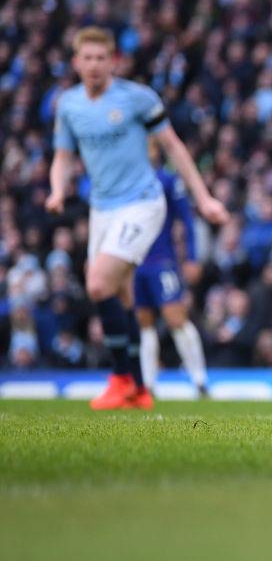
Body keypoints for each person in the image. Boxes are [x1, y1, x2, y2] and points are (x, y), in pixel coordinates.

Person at [46, 27, 228, 410]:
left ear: (113, 61)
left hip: (142, 203)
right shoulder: (68, 105)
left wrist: (204, 198)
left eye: (101, 58)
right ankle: (141, 389)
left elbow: (174, 147)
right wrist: (58, 190)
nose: (94, 65)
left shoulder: (137, 99)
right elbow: (63, 156)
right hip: (102, 209)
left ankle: (121, 378)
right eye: (87, 58)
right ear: (76, 62)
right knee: (124, 297)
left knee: (98, 284)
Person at [134, 141, 209, 397]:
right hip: (134, 261)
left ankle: (199, 379)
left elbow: (186, 221)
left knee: (175, 318)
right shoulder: (127, 182)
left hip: (161, 261)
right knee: (143, 322)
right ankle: (148, 384)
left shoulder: (167, 181)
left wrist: (191, 257)